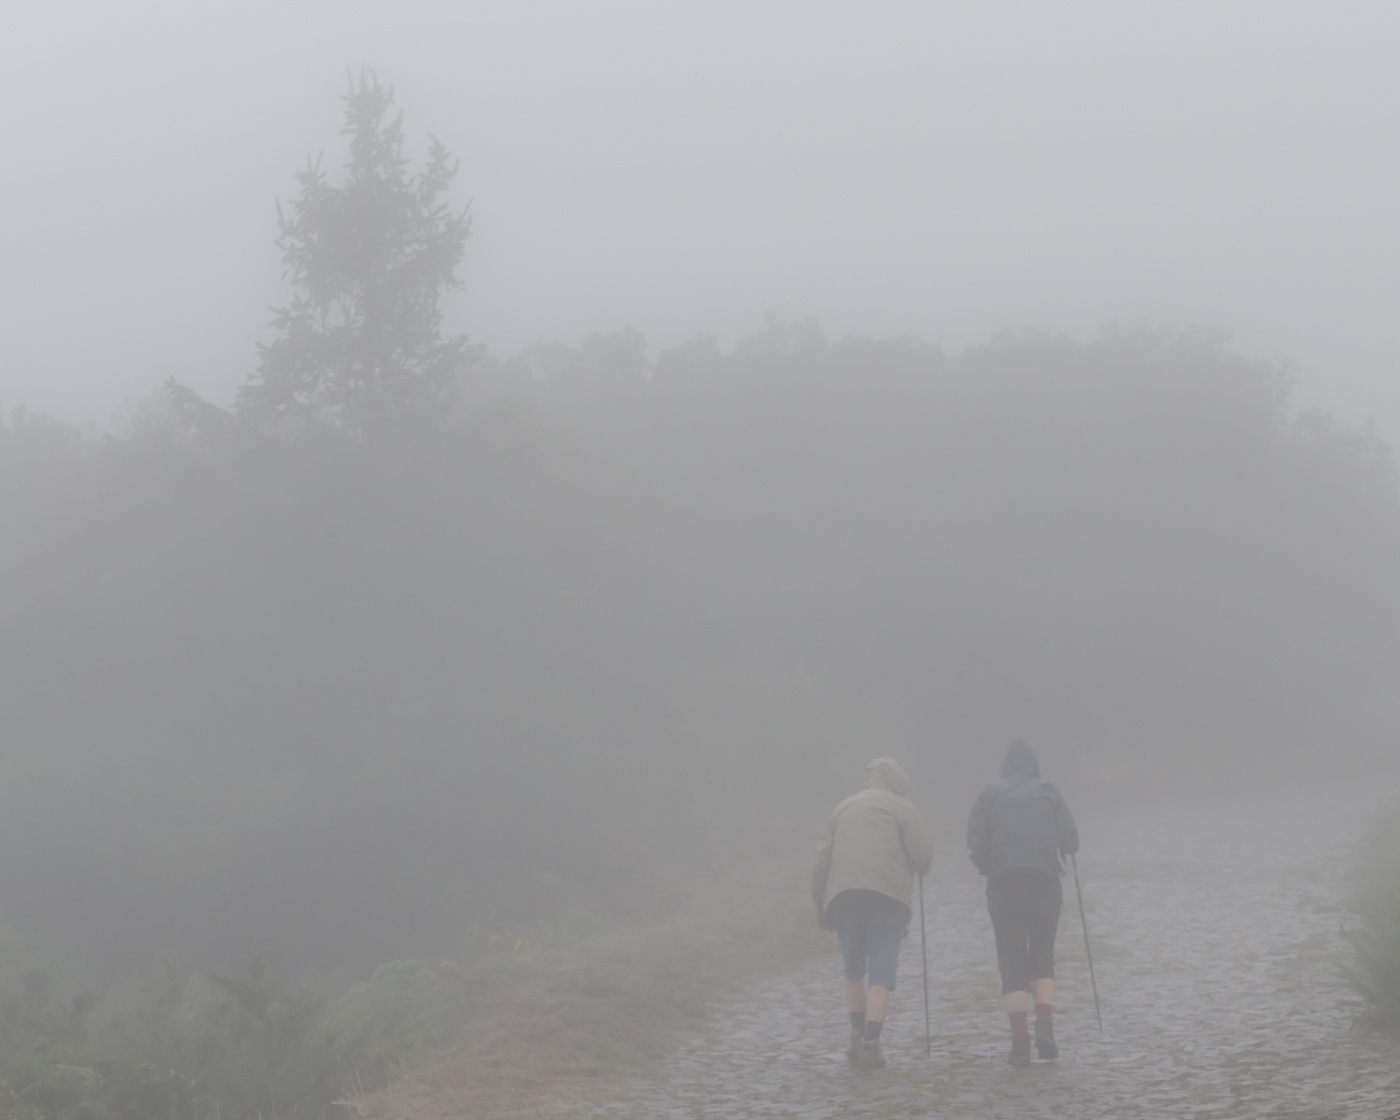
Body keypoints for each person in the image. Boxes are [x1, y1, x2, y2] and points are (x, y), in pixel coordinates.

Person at [812, 757, 934, 1071]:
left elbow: (821, 862)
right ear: (896, 781)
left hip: (845, 895)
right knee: (882, 972)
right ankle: (871, 1043)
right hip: (887, 896)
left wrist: (821, 906)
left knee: (852, 968)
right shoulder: (902, 807)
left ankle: (856, 1034)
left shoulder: (842, 808)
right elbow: (923, 857)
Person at [967, 739, 1079, 1066]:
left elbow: (975, 842)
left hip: (1004, 886)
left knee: (1011, 960)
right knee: (1043, 956)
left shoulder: (990, 794)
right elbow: (1072, 841)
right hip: (1044, 883)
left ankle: (1019, 1041)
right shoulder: (1048, 791)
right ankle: (1044, 1027)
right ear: (1034, 765)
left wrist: (989, 867)